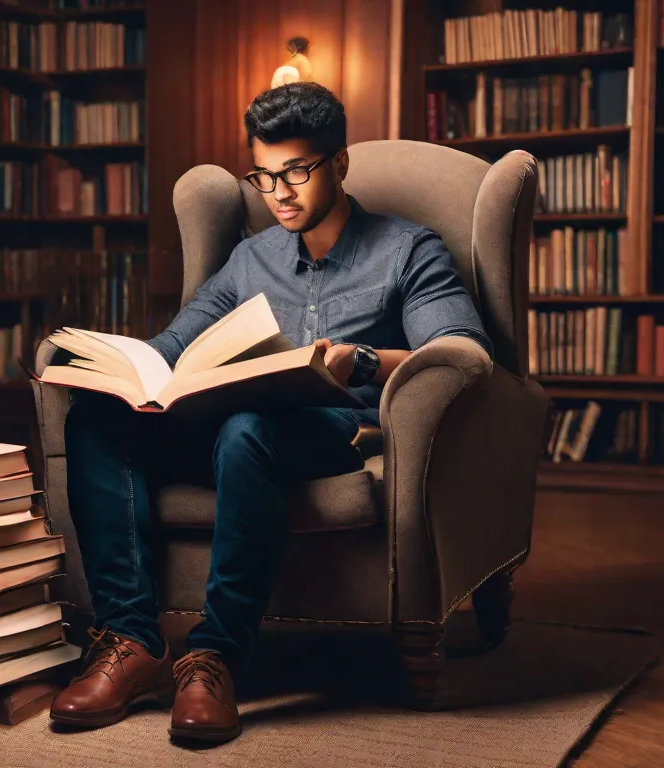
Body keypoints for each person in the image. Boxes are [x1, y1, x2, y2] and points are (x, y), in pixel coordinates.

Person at [49, 81, 493, 744]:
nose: (279, 192)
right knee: (95, 418)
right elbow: (178, 340)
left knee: (246, 430)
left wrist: (363, 362)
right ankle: (133, 638)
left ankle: (217, 655)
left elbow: (462, 353)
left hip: (334, 428)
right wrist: (125, 365)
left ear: (339, 164)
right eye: (264, 175)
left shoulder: (407, 249)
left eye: (297, 171)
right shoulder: (250, 258)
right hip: (224, 422)